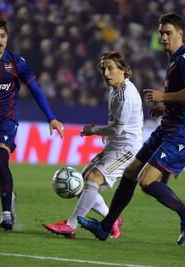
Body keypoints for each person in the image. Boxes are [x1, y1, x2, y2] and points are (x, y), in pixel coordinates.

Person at [78, 12, 185, 245]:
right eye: (161, 34)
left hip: (182, 132)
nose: (163, 38)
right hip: (167, 127)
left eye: (168, 33)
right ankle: (105, 227)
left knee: (147, 181)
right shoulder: (177, 60)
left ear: (180, 33)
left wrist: (163, 96)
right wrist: (165, 105)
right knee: (130, 172)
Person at [0, 17, 64, 231]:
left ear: (8, 38)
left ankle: (6, 214)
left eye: (3, 36)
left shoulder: (16, 62)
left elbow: (35, 90)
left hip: (7, 121)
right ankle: (9, 196)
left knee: (0, 159)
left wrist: (50, 117)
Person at [44, 51, 143, 239]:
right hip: (115, 145)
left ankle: (70, 225)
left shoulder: (124, 94)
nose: (106, 73)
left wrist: (93, 131)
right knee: (82, 182)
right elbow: (116, 123)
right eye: (103, 69)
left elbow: (118, 129)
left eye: (111, 68)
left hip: (127, 149)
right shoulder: (115, 89)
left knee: (93, 179)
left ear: (122, 70)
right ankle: (111, 219)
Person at [149, 105, 185, 200]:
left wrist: (166, 109)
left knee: (172, 151)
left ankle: (162, 186)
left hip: (183, 129)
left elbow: (181, 108)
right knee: (184, 155)